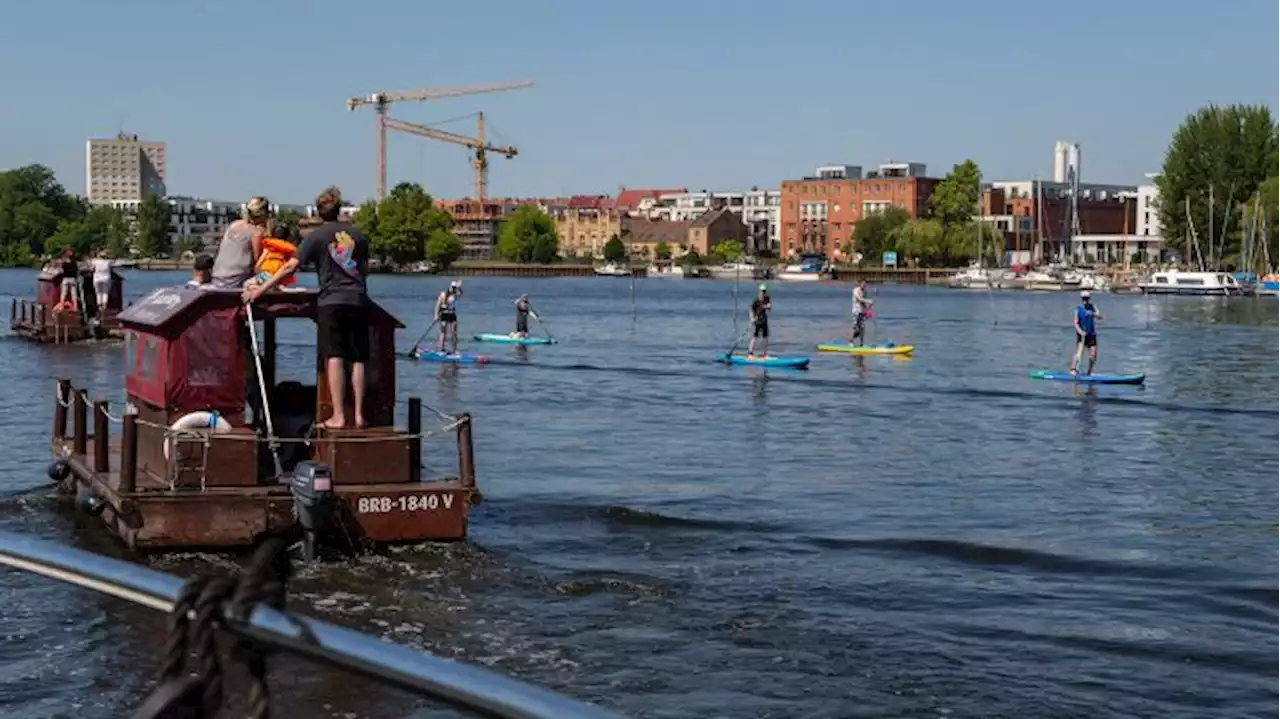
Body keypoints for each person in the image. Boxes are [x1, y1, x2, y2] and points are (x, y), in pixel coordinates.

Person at [244, 186, 370, 429]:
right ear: (339, 209)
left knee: (334, 356)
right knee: (358, 358)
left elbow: (290, 267)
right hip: (358, 298)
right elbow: (363, 269)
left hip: (331, 300)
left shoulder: (317, 236)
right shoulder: (358, 235)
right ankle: (360, 416)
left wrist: (260, 289)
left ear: (320, 212)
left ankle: (338, 416)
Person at [213, 196, 269, 288]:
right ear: (264, 214)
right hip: (236, 280)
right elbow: (258, 264)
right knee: (269, 277)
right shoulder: (256, 233)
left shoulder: (233, 225)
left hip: (217, 277)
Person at [246, 222, 297, 289]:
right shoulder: (288, 248)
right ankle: (277, 286)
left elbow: (260, 261)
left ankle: (273, 286)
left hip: (268, 274)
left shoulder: (269, 246)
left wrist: (256, 269)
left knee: (247, 284)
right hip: (280, 276)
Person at [1070, 289, 1102, 376]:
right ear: (1081, 299)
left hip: (1091, 334)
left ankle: (1089, 372)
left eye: (1087, 298)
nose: (1085, 300)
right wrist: (1080, 332)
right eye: (1084, 299)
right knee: (1079, 353)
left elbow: (1100, 316)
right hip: (1082, 335)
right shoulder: (1078, 309)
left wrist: (1093, 314)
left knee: (1093, 354)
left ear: (1089, 298)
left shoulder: (1093, 306)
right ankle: (1073, 369)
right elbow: (1075, 323)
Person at [435, 280, 462, 353]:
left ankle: (455, 350)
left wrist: (459, 287)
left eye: (454, 288)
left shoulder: (455, 294)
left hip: (452, 314)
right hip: (444, 314)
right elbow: (438, 305)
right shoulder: (443, 294)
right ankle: (441, 349)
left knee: (454, 332)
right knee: (443, 332)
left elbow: (461, 293)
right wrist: (436, 315)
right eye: (453, 288)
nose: (453, 289)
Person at [747, 284, 771, 357]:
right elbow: (750, 310)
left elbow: (769, 308)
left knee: (765, 337)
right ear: (759, 291)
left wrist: (767, 306)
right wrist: (752, 318)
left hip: (764, 321)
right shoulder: (756, 300)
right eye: (762, 291)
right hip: (757, 321)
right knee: (755, 337)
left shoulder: (767, 299)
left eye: (764, 291)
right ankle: (750, 353)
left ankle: (764, 354)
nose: (763, 292)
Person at [850, 280, 874, 345]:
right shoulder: (855, 290)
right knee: (856, 327)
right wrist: (868, 301)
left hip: (862, 312)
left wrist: (869, 307)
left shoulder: (865, 292)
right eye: (863, 284)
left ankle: (861, 344)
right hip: (856, 312)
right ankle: (851, 342)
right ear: (860, 284)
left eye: (865, 284)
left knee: (862, 328)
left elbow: (863, 303)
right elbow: (859, 299)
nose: (864, 285)